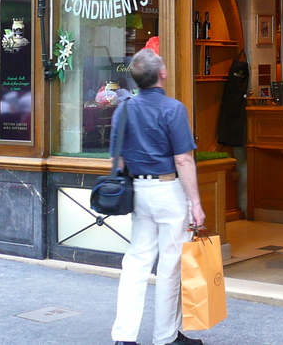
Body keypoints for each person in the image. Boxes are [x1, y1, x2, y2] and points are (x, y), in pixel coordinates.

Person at [110, 49, 206, 345]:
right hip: (168, 191)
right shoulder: (173, 108)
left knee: (136, 262)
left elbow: (118, 159)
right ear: (162, 74)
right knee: (170, 265)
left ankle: (124, 336)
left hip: (139, 191)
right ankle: (165, 336)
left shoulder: (123, 109)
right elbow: (184, 160)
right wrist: (197, 204)